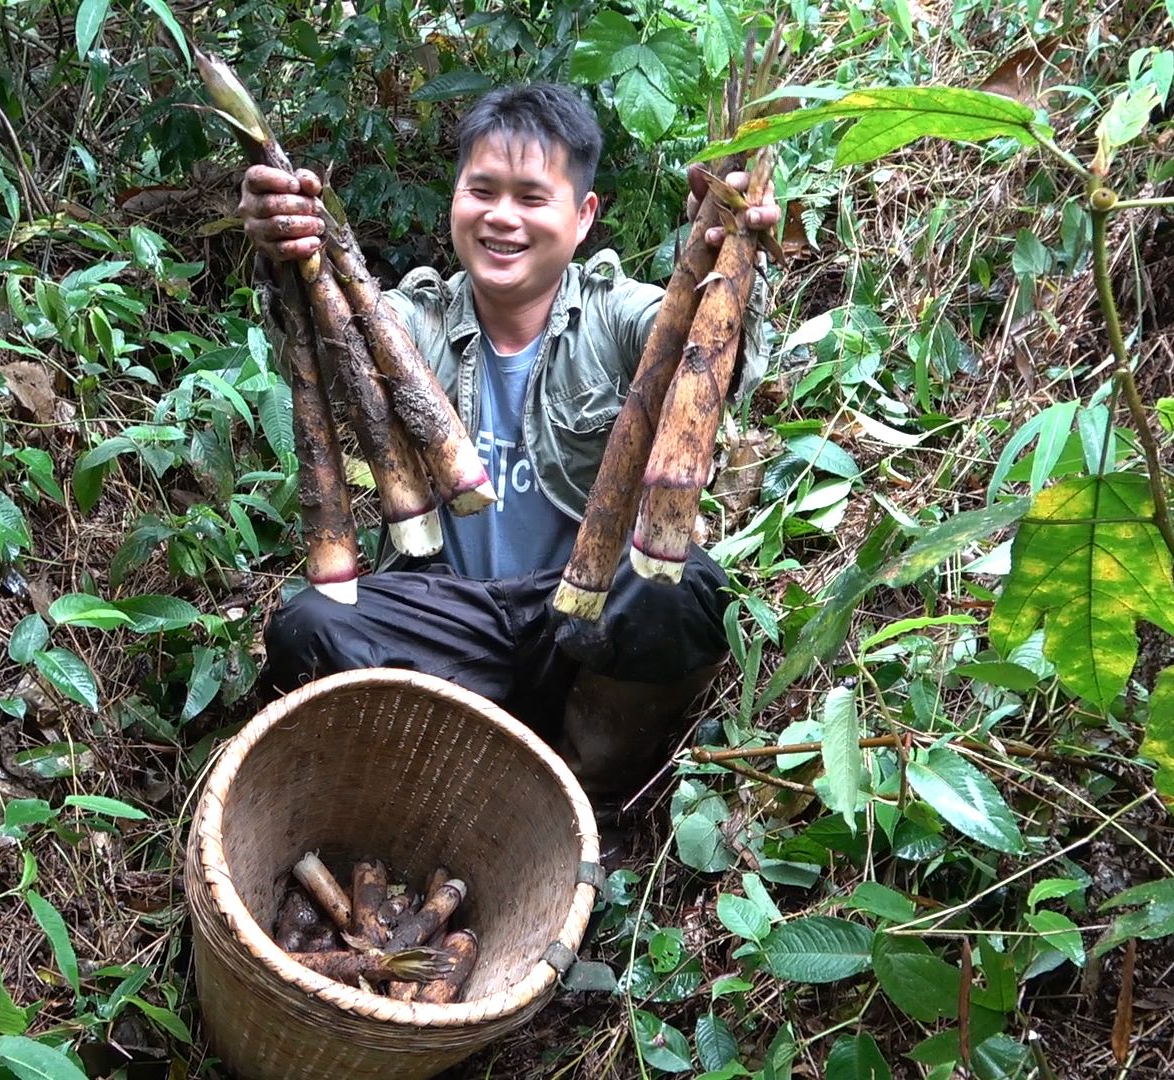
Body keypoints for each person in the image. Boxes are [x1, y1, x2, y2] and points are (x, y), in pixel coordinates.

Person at [240, 83, 775, 801]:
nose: (502, 217)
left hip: (580, 624)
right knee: (310, 625)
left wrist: (730, 261)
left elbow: (711, 367)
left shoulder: (618, 314)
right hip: (450, 622)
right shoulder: (404, 319)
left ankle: (587, 798)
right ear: (454, 198)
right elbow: (325, 352)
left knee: (683, 592)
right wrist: (284, 255)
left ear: (583, 217)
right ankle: (437, 795)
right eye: (482, 190)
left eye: (531, 197)